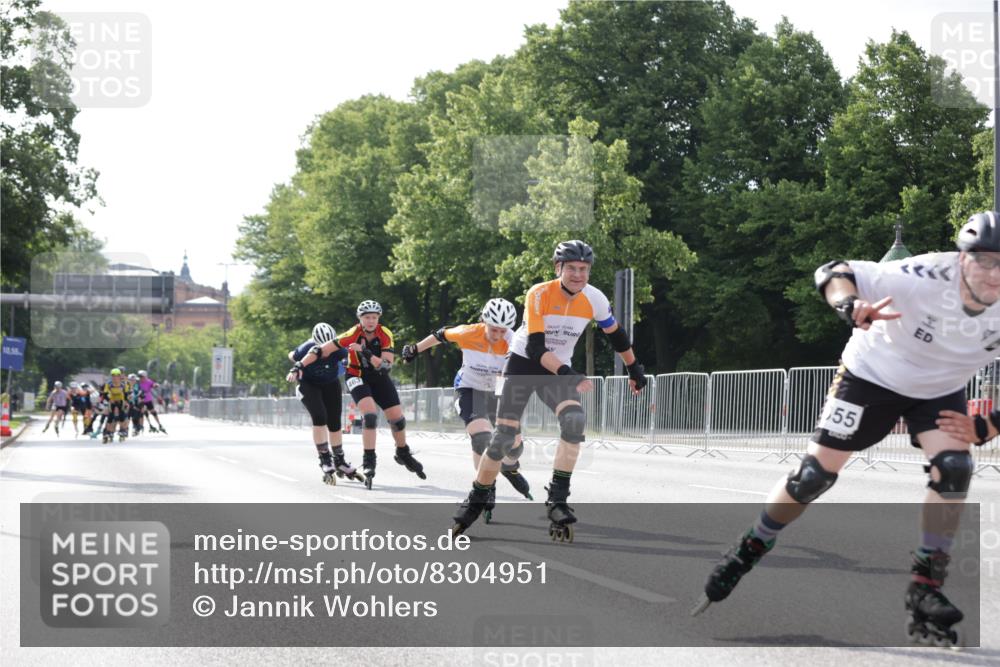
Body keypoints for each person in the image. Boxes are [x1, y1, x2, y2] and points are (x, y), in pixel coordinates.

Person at [689, 212, 1000, 647]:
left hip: (939, 390)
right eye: (983, 261)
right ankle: (750, 547)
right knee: (812, 478)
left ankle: (925, 586)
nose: (994, 274)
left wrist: (988, 424)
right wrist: (850, 305)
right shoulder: (922, 275)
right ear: (961, 259)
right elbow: (835, 271)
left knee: (954, 469)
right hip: (872, 375)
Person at [451, 240, 646, 541]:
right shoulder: (539, 293)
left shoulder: (594, 299)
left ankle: (557, 500)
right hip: (521, 365)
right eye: (571, 269)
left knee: (574, 422)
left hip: (557, 369)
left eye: (584, 269)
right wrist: (568, 373)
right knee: (503, 438)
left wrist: (634, 368)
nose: (578, 275)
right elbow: (536, 347)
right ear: (559, 268)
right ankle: (475, 502)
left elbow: (616, 335)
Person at [402, 298, 531, 521]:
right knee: (481, 438)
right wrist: (414, 349)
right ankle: (486, 485)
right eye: (493, 329)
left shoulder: (514, 341)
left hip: (499, 390)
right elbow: (441, 334)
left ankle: (508, 466)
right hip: (470, 388)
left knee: (514, 446)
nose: (497, 335)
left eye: (503, 331)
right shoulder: (468, 332)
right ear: (483, 321)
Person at [297, 301, 425, 489]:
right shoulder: (352, 334)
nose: (371, 321)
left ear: (378, 318)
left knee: (397, 420)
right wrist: (300, 364)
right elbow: (322, 349)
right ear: (360, 319)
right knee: (370, 416)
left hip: (379, 377)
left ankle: (402, 452)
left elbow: (386, 366)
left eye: (374, 317)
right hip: (356, 376)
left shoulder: (385, 334)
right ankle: (369, 460)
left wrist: (364, 352)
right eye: (367, 317)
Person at [286, 322, 362, 485]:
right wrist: (294, 363)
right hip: (309, 384)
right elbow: (292, 355)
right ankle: (325, 459)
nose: (326, 352)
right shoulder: (306, 348)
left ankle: (339, 460)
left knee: (334, 423)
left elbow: (352, 359)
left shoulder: (339, 349)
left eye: (329, 347)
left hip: (330, 383)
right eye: (322, 349)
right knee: (320, 417)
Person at [100, 368, 131, 443]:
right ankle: (108, 432)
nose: (115, 378)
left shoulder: (124, 384)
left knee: (122, 416)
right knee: (110, 417)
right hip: (112, 400)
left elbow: (126, 394)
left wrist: (127, 402)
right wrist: (109, 400)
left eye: (117, 376)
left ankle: (123, 430)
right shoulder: (109, 384)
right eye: (113, 376)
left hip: (121, 400)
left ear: (120, 376)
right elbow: (105, 394)